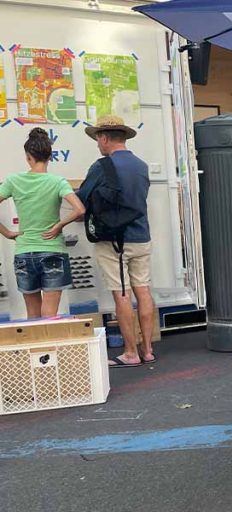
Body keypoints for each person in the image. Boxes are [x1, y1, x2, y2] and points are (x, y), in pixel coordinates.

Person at [78, 115, 156, 369]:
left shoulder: (102, 166)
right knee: (143, 290)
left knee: (122, 294)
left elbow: (82, 198)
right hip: (141, 236)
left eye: (97, 139)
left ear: (104, 137)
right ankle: (148, 350)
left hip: (114, 241)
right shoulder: (142, 166)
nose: (97, 144)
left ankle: (131, 352)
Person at [0, 128, 85, 318]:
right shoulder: (58, 182)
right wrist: (59, 225)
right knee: (49, 314)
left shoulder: (13, 181)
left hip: (24, 251)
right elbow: (80, 209)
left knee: (32, 314)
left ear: (28, 157)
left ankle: (35, 348)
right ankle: (50, 349)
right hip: (52, 250)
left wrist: (6, 233)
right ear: (50, 157)